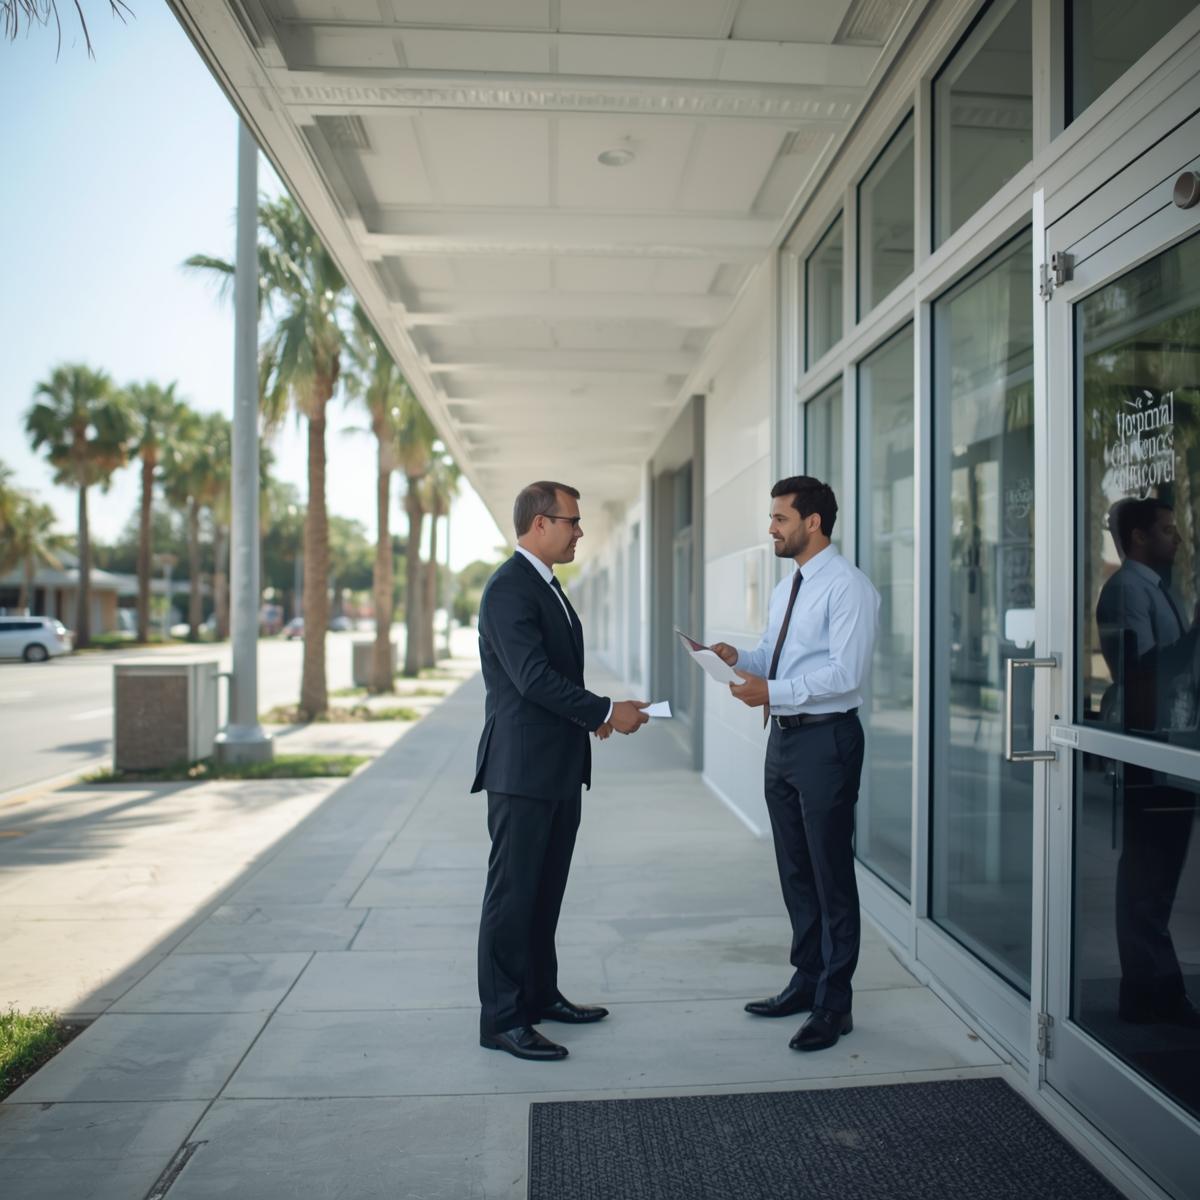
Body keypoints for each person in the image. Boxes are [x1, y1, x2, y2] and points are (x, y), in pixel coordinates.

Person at [473, 480, 649, 1061]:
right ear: (539, 524)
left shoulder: (547, 586)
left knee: (545, 893)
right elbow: (530, 677)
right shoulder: (508, 589)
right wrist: (602, 710)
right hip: (521, 771)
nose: (580, 532)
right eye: (572, 521)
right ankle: (501, 1018)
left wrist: (585, 719)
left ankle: (540, 995)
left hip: (556, 765)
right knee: (513, 895)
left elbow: (554, 679)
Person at [711, 476, 879, 1052]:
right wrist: (738, 658)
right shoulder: (789, 588)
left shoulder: (848, 587)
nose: (771, 528)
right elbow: (773, 658)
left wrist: (773, 693)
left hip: (827, 741)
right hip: (783, 741)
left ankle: (836, 1003)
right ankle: (806, 980)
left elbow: (845, 674)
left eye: (780, 518)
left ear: (813, 522)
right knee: (795, 871)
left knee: (831, 874)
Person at [1094, 497, 1200, 1028]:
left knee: (1155, 878)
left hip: (1168, 744)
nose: (1176, 538)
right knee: (1147, 878)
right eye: (1165, 529)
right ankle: (1151, 993)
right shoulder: (1127, 592)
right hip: (1147, 748)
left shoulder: (1152, 588)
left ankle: (1152, 990)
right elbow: (1140, 672)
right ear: (1137, 538)